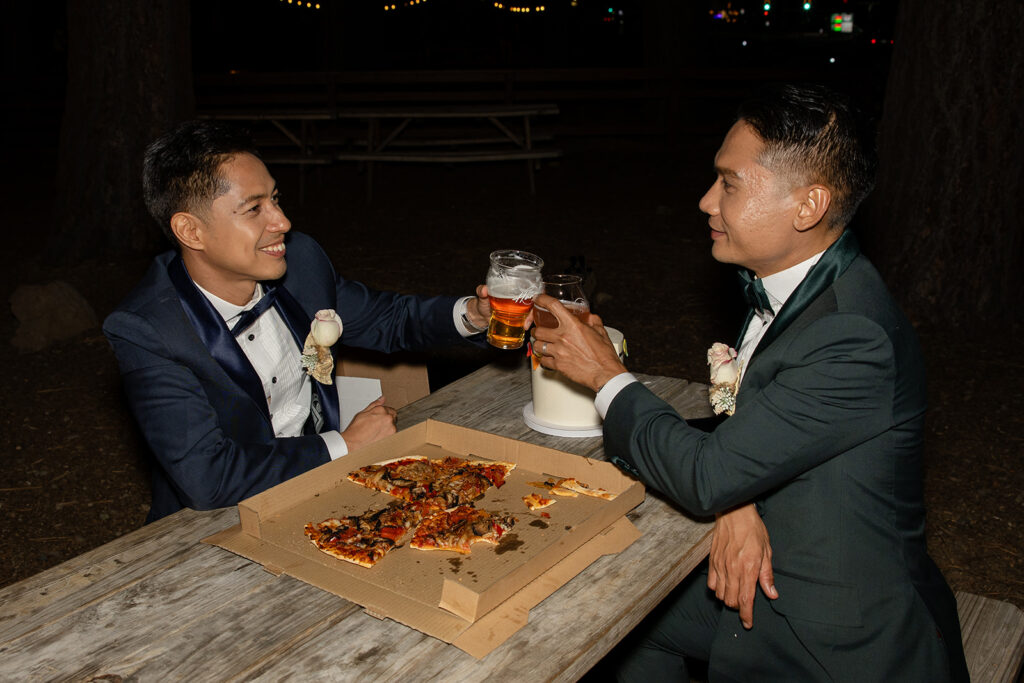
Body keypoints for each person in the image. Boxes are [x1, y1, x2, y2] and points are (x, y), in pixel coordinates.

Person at [532, 84, 969, 681]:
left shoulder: (851, 337)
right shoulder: (795, 285)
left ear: (807, 207)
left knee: (604, 614)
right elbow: (747, 442)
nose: (707, 201)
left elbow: (708, 473)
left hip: (835, 637)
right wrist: (736, 500)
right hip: (780, 579)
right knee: (616, 618)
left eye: (730, 184)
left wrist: (606, 374)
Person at [104, 120, 493, 522]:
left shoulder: (301, 261)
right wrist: (344, 446)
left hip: (329, 492)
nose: (282, 222)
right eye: (254, 209)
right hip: (212, 522)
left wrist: (473, 314)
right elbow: (207, 478)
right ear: (191, 230)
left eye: (275, 198)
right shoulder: (149, 329)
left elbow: (390, 318)